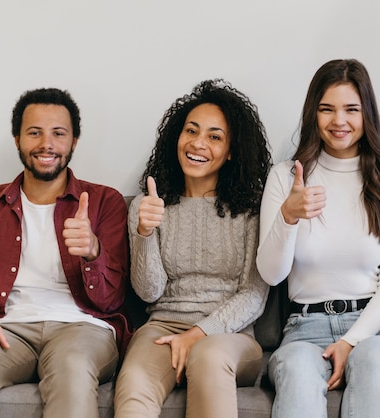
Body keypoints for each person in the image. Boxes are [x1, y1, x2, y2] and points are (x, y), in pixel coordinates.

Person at [256, 58, 380, 418]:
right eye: (326, 109)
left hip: (378, 331)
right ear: (313, 114)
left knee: (371, 360)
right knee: (297, 369)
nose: (339, 121)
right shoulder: (286, 177)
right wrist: (288, 216)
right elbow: (271, 275)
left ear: (367, 115)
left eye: (351, 109)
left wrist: (351, 341)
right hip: (304, 329)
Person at [0, 88, 131, 418]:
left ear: (74, 142)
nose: (46, 144)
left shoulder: (104, 202)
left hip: (83, 327)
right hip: (6, 326)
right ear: (17, 139)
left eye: (58, 133)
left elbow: (111, 299)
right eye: (34, 132)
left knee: (73, 369)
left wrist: (93, 252)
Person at [114, 79, 272, 418]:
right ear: (177, 138)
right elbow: (148, 291)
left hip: (231, 336)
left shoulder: (251, 212)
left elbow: (254, 295)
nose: (198, 143)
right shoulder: (148, 205)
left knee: (208, 356)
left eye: (214, 136)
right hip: (163, 325)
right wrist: (144, 232)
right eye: (191, 131)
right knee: (134, 388)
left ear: (231, 150)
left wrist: (200, 333)